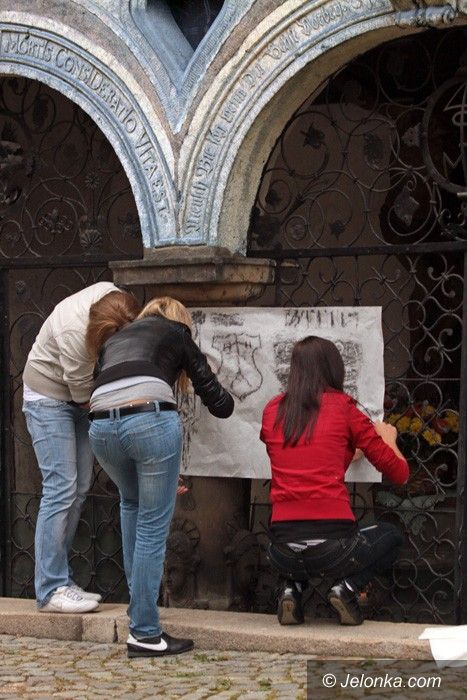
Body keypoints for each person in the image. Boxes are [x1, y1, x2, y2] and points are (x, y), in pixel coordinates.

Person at [86, 296, 234, 658]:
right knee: (152, 526)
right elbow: (219, 403)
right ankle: (145, 633)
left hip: (100, 426)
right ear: (180, 320)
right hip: (149, 419)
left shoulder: (114, 340)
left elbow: (100, 386)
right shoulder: (177, 333)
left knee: (131, 504)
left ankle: (140, 613)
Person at [260, 335, 409, 627]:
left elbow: (300, 456)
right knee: (391, 536)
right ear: (334, 369)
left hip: (280, 550)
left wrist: (344, 450)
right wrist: (388, 439)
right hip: (333, 549)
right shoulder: (344, 408)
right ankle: (347, 589)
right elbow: (399, 474)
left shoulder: (272, 410)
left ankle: (291, 589)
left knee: (298, 546)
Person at [22, 282, 141, 613]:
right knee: (61, 487)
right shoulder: (75, 334)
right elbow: (84, 399)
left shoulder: (116, 299)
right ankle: (50, 589)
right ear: (98, 334)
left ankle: (60, 578)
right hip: (48, 397)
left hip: (81, 394)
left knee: (79, 487)